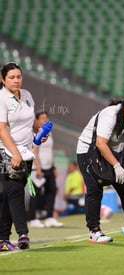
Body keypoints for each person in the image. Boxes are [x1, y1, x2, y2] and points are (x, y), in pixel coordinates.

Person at [76, 96, 124, 243]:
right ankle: (94, 231)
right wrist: (116, 166)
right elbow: (101, 143)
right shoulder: (110, 115)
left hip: (114, 152)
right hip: (89, 151)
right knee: (94, 189)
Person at [0, 62, 36, 250]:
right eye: (11, 77)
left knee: (9, 195)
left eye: (18, 76)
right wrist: (14, 153)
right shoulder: (1, 98)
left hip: (26, 152)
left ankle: (3, 238)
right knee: (15, 193)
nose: (16, 80)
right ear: (2, 79)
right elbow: (1, 129)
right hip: (6, 153)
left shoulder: (27, 95)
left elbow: (30, 123)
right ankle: (23, 234)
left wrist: (39, 133)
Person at [28, 110, 63, 228]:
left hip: (49, 167)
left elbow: (50, 151)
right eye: (42, 118)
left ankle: (50, 217)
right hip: (38, 168)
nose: (45, 120)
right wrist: (38, 168)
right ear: (36, 120)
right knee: (36, 193)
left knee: (52, 190)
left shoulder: (49, 132)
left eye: (46, 118)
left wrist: (53, 166)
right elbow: (34, 152)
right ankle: (33, 218)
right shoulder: (34, 133)